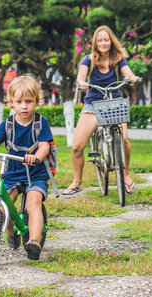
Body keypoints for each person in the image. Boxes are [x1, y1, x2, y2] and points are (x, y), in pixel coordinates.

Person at [0, 74, 53, 260]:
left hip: (35, 174)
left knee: (34, 203)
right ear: (11, 103)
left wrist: (36, 157)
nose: (24, 106)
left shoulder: (41, 123)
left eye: (29, 101)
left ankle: (33, 241)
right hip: (13, 172)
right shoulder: (7, 124)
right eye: (19, 101)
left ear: (36, 101)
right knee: (3, 205)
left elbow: (45, 146)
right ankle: (11, 232)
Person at [63, 25, 139, 196]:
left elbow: (128, 73)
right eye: (100, 40)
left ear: (111, 41)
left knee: (125, 139)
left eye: (106, 39)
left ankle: (125, 174)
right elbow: (80, 77)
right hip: (93, 105)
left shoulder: (118, 59)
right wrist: (82, 83)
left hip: (114, 103)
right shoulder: (88, 59)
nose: (103, 43)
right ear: (95, 43)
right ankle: (77, 182)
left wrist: (132, 78)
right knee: (76, 147)